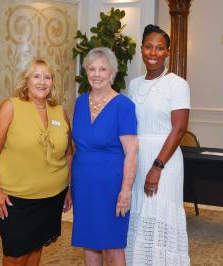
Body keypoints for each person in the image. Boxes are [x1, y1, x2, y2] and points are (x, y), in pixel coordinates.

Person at [0, 58, 73, 266]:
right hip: (15, 199)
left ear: (53, 82)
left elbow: (69, 153)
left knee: (36, 247)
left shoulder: (60, 112)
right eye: (36, 76)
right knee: (15, 255)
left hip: (52, 196)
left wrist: (68, 188)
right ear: (26, 81)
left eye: (47, 77)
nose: (42, 82)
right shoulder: (11, 107)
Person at [126, 24, 191, 265]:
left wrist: (157, 166)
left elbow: (179, 128)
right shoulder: (134, 84)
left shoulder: (177, 84)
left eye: (160, 48)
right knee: (140, 214)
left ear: (168, 52)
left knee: (159, 214)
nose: (153, 53)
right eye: (148, 47)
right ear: (141, 49)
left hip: (164, 161)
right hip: (138, 159)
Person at [71, 47, 139, 265]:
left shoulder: (124, 106)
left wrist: (126, 191)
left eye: (103, 69)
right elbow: (74, 148)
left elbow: (131, 152)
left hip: (111, 186)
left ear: (112, 74)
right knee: (89, 242)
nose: (97, 74)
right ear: (86, 72)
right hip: (83, 184)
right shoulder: (80, 103)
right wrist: (69, 186)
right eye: (92, 69)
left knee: (113, 246)